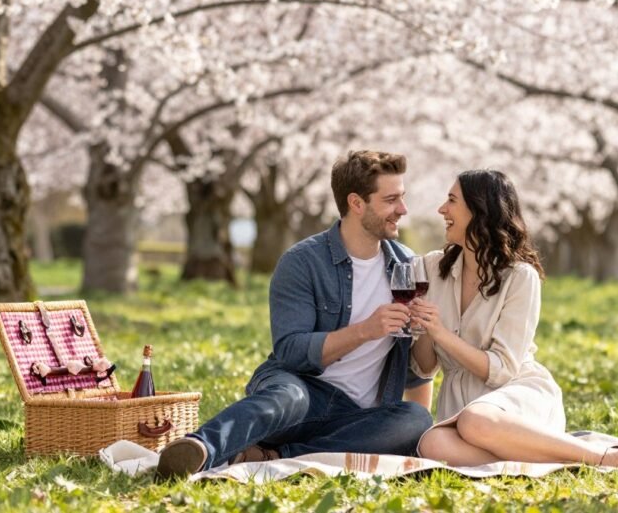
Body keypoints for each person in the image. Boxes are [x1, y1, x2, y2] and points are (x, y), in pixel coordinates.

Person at [157, 150, 433, 479]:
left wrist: (426, 329)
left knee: (415, 419)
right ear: (356, 203)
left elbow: (416, 372)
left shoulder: (406, 266)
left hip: (356, 418)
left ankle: (276, 456)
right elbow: (290, 351)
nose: (402, 210)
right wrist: (365, 330)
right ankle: (200, 448)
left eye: (401, 198)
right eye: (391, 200)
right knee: (289, 397)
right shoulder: (302, 262)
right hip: (300, 394)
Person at [407, 170, 618, 471]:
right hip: (460, 407)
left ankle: (604, 458)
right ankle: (553, 459)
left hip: (515, 396)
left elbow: (501, 370)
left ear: (479, 210)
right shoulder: (432, 269)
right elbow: (424, 366)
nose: (441, 209)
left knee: (476, 420)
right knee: (430, 444)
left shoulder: (520, 277)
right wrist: (426, 330)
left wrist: (442, 333)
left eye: (452, 200)